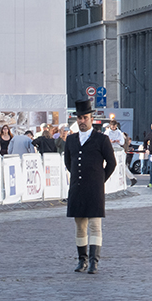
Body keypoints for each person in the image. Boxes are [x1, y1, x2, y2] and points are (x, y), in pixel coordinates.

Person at [64, 99, 117, 274]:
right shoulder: (71, 139)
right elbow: (68, 163)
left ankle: (94, 262)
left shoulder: (101, 139)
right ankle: (82, 260)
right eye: (79, 118)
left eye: (85, 117)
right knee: (80, 226)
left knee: (95, 225)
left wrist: (99, 179)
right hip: (77, 189)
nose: (82, 121)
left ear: (91, 118)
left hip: (94, 189)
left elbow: (111, 163)